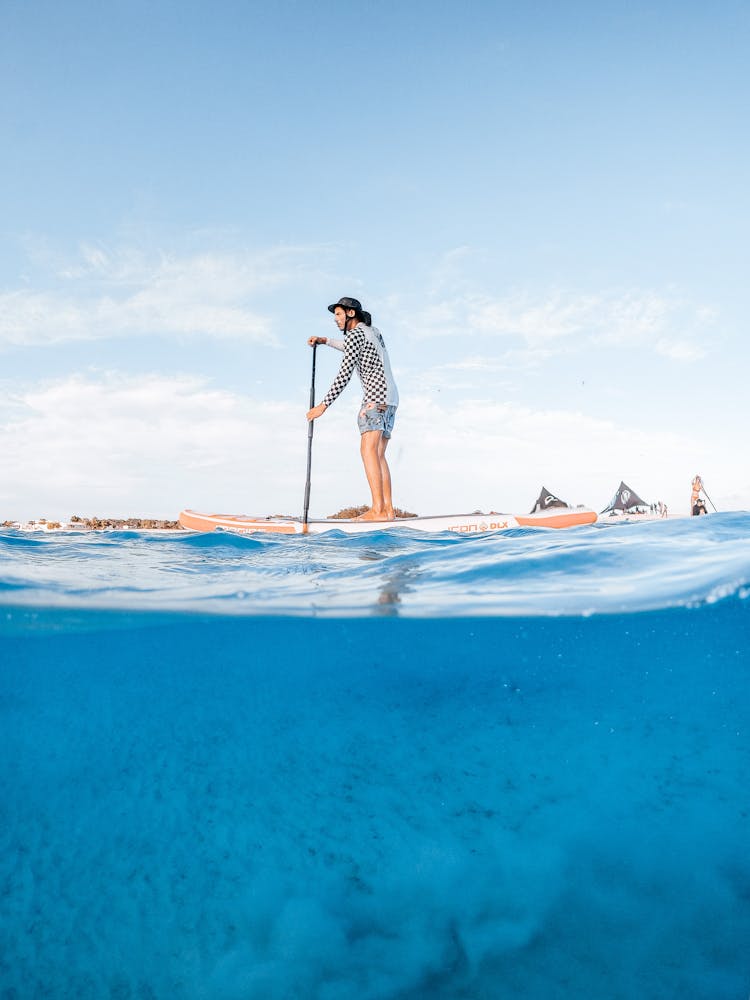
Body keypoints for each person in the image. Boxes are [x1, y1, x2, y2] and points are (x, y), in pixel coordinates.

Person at [306, 296, 398, 521]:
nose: (335, 319)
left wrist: (323, 405)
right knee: (379, 455)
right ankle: (388, 511)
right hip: (391, 398)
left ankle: (377, 511)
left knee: (367, 451)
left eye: (338, 314)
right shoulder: (372, 331)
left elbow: (344, 373)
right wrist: (325, 340)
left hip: (374, 399)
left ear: (350, 313)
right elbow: (349, 347)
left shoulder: (356, 334)